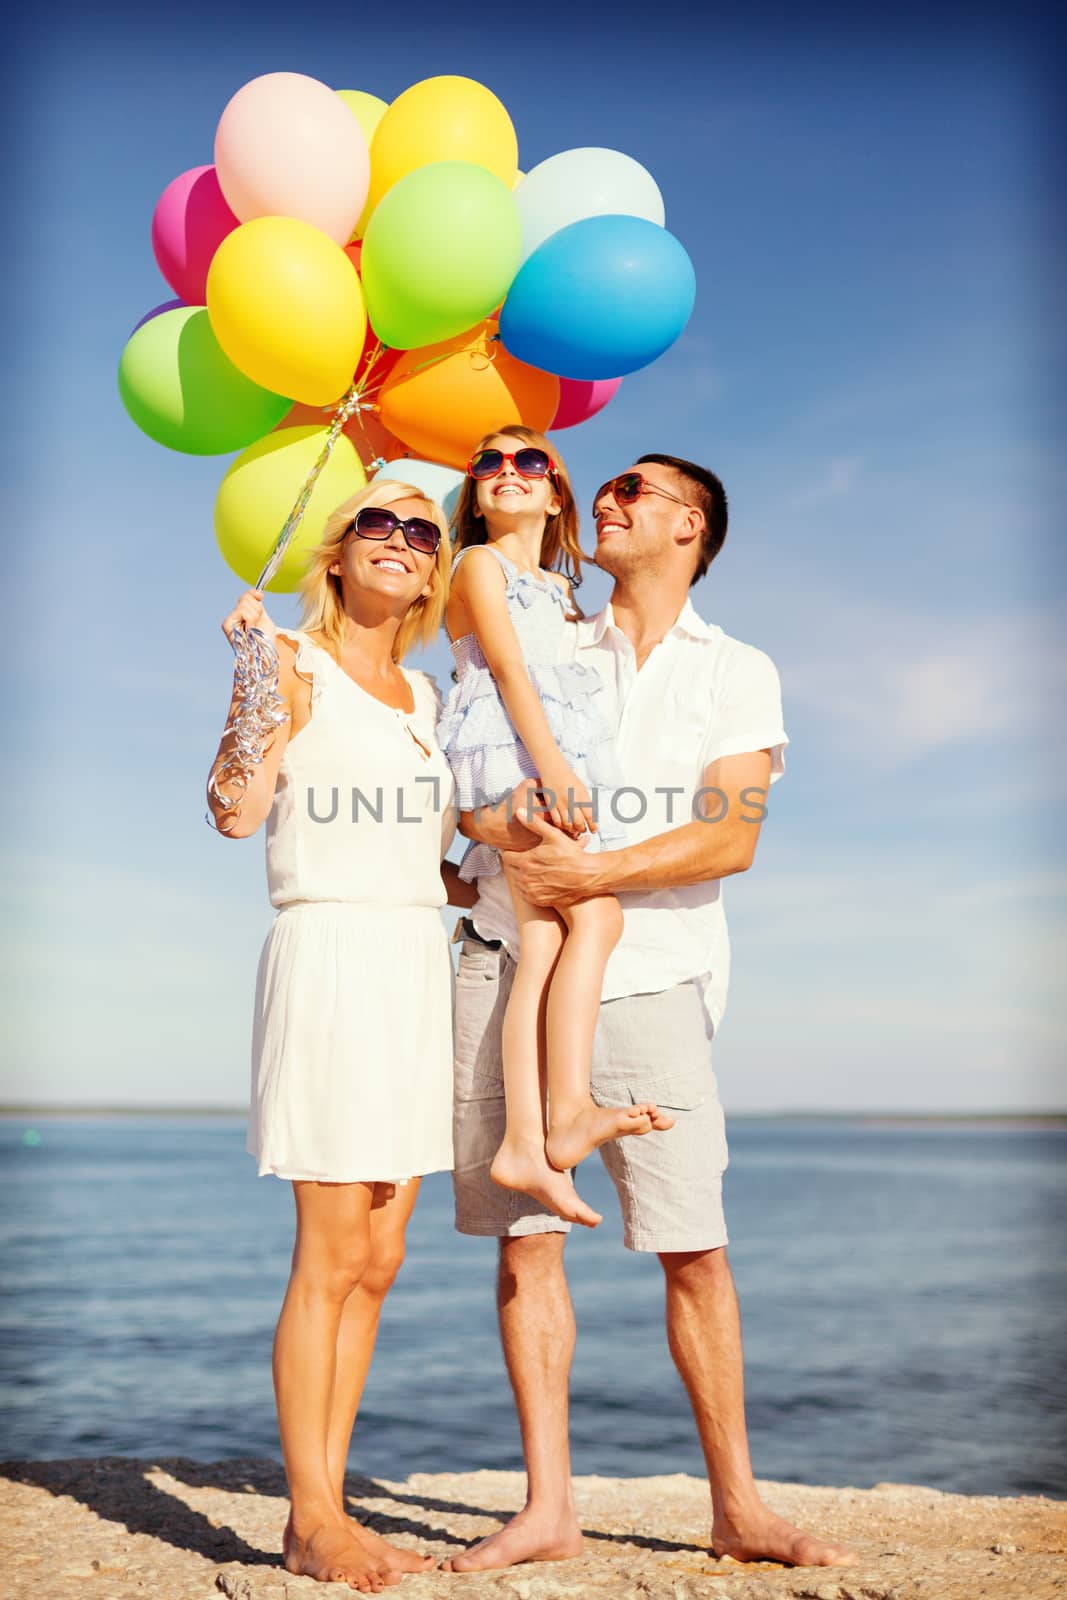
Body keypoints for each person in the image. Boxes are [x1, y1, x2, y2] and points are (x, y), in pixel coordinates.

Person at [445, 455, 858, 1573]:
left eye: (637, 490)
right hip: (501, 952)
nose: (608, 498)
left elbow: (730, 834)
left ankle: (736, 1505)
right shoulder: (540, 626)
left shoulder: (735, 668)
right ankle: (546, 1509)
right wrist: (499, 826)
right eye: (607, 486)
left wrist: (594, 875)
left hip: (654, 971)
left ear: (691, 526)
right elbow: (465, 782)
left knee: (692, 1248)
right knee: (525, 1243)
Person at [207, 480, 474, 1593]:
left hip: (418, 960)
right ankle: (310, 1520)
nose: (404, 541)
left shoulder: (426, 693)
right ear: (337, 549)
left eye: (424, 531)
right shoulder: (287, 660)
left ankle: (333, 1498)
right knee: (327, 1257)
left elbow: (435, 859)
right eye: (381, 522)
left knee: (380, 1254)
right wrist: (250, 684)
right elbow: (232, 810)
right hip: (329, 956)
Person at [437, 428, 672, 1232]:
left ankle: (524, 1144)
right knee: (596, 914)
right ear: (473, 491)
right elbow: (506, 672)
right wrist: (556, 769)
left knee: (539, 942)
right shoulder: (477, 565)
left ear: (554, 491)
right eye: (489, 463)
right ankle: (566, 1109)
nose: (508, 473)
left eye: (528, 462)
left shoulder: (556, 591)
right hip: (513, 762)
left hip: (540, 758)